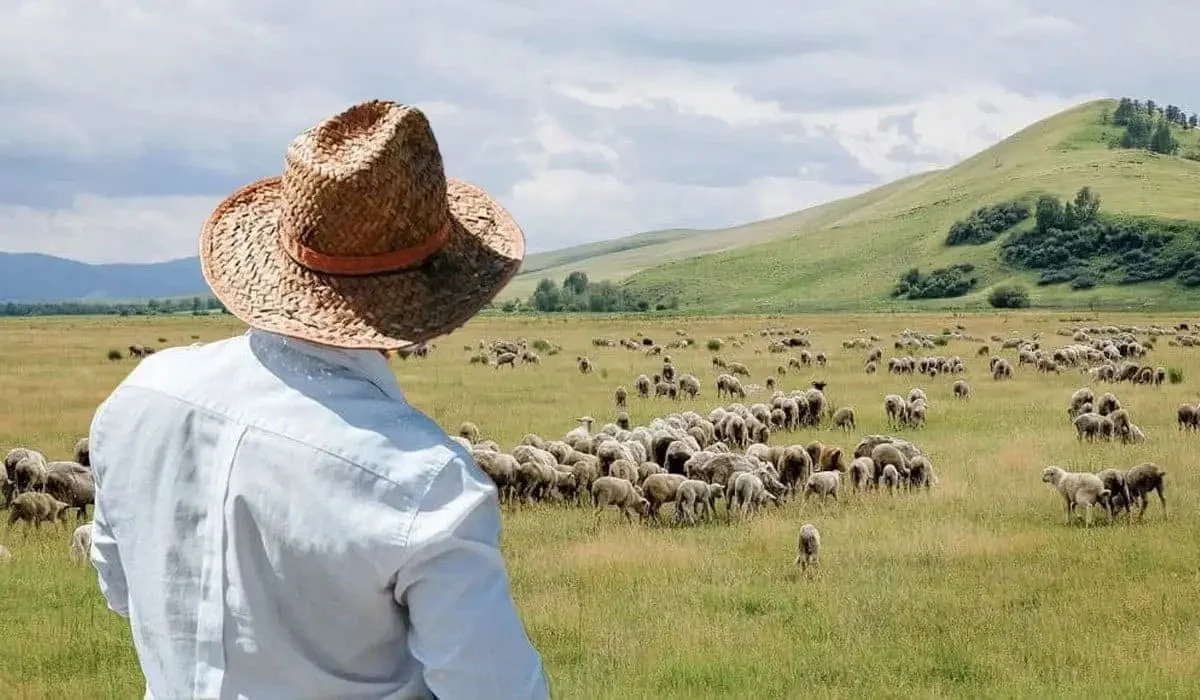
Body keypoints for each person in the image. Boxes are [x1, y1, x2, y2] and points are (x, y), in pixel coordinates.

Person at [88, 100, 550, 699]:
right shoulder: (423, 481)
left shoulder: (140, 398)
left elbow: (123, 590)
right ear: (431, 298)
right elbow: (495, 689)